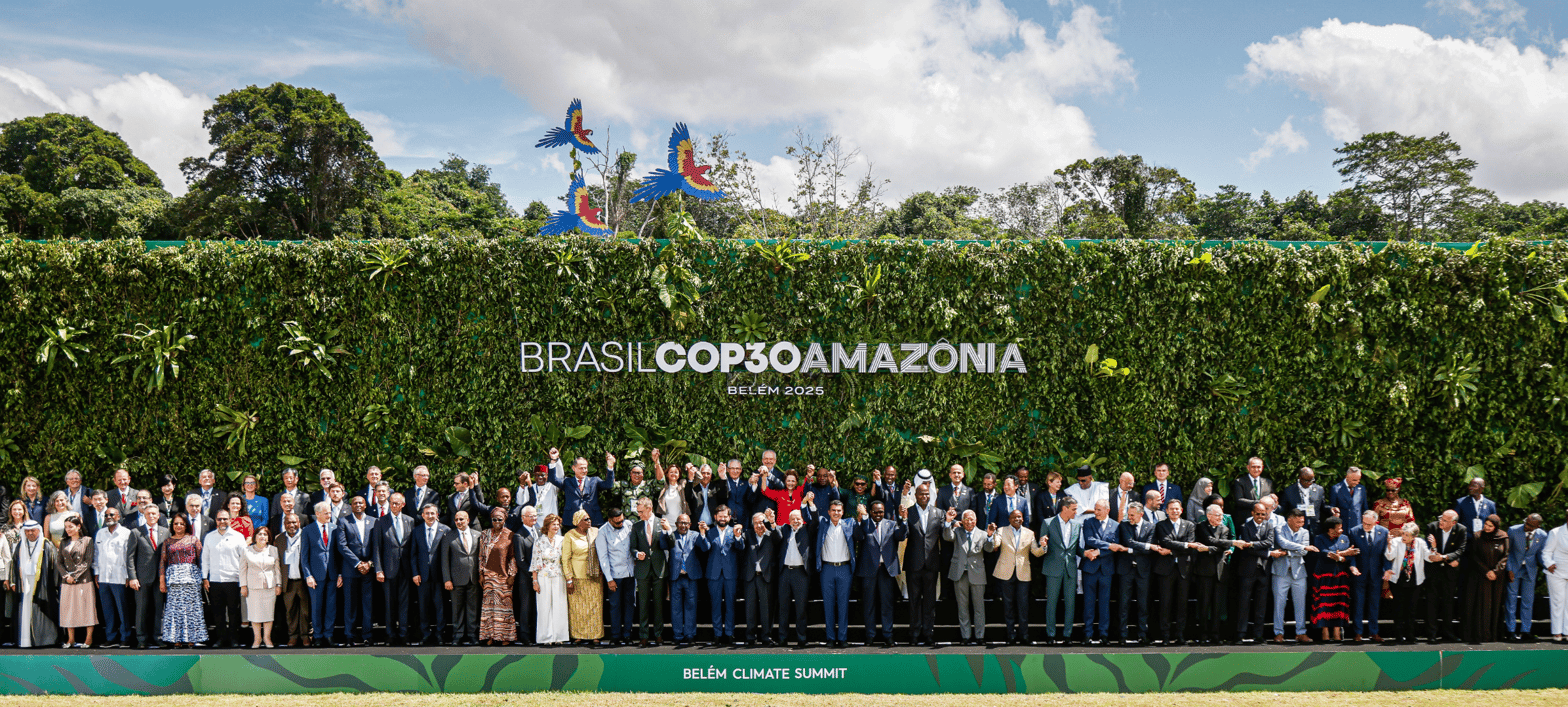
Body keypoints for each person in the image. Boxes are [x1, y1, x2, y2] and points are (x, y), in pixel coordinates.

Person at [853, 499, 903, 648]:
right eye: (875, 511)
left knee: (887, 604)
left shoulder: (891, 524)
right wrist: (861, 519)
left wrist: (904, 520)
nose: (878, 514)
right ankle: (870, 636)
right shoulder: (865, 523)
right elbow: (858, 536)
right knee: (869, 605)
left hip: (886, 571)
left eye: (880, 511)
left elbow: (901, 536)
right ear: (870, 512)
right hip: (868, 571)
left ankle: (888, 635)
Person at [1153, 498, 1201, 645]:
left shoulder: (1189, 525)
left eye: (1177, 509)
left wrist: (1173, 551)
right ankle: (1166, 636)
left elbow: (1190, 545)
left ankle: (1180, 634)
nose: (1174, 511)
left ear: (1181, 510)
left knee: (1182, 604)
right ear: (1166, 511)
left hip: (1183, 570)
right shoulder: (1161, 525)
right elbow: (1165, 541)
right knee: (1165, 604)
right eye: (1171, 509)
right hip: (1166, 570)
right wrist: (1185, 545)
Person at [991, 508, 1042, 645]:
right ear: (1009, 519)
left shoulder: (1029, 533)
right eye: (1014, 517)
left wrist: (1043, 546)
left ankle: (1024, 635)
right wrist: (991, 535)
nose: (1017, 519)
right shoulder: (1001, 531)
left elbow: (1036, 552)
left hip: (1023, 573)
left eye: (1019, 517)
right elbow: (995, 545)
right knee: (1008, 605)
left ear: (1023, 518)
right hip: (1006, 572)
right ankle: (1010, 635)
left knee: (1023, 605)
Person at [902, 483, 943, 646]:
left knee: (929, 602)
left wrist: (949, 523)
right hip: (913, 565)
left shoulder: (939, 513)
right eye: (921, 494)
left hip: (931, 565)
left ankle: (928, 633)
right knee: (913, 602)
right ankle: (914, 633)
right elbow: (901, 534)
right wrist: (903, 519)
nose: (924, 496)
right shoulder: (909, 512)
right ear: (916, 495)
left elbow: (945, 535)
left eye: (927, 494)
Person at [1195, 503, 1243, 645]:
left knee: (1217, 604)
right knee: (1204, 604)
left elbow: (1222, 546)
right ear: (1209, 515)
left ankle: (1216, 634)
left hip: (1220, 570)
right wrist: (1231, 543)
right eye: (1218, 515)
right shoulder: (1201, 526)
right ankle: (1203, 635)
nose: (1220, 518)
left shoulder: (1224, 528)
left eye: (1222, 515)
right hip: (1205, 571)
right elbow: (1212, 541)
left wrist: (1209, 549)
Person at [9, 520, 61, 648]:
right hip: (24, 583)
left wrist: (55, 586)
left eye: (33, 530)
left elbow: (54, 567)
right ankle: (25, 640)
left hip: (43, 584)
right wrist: (13, 581)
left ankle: (44, 640)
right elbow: (14, 564)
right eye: (27, 531)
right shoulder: (21, 545)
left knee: (40, 611)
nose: (30, 533)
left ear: (39, 530)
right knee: (24, 611)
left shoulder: (46, 545)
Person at [1038, 497, 1082, 645]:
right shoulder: (1048, 523)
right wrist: (1043, 545)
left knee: (1070, 603)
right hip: (1053, 569)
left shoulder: (1077, 525)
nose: (1076, 512)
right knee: (1051, 603)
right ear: (1065, 509)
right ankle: (1050, 635)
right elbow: (1042, 548)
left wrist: (1088, 553)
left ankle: (1067, 636)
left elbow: (1078, 549)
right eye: (1074, 509)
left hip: (1070, 569)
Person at [157, 514, 204, 648]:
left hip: (191, 577)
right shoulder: (167, 541)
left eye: (182, 523)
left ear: (186, 525)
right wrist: (162, 581)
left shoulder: (193, 539)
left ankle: (191, 638)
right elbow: (163, 561)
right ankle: (176, 638)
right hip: (173, 579)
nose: (178, 526)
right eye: (176, 523)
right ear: (172, 526)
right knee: (174, 609)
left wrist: (204, 578)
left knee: (191, 609)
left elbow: (201, 560)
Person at [943, 508, 990, 645]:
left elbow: (988, 548)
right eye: (967, 519)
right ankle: (966, 636)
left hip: (977, 573)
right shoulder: (957, 532)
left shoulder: (982, 533)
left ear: (976, 520)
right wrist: (948, 521)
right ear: (962, 521)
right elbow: (947, 537)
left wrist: (991, 536)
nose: (970, 521)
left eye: (972, 519)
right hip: (960, 573)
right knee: (962, 607)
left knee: (979, 607)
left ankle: (980, 636)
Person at [370, 492, 411, 645]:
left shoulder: (410, 521)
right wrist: (378, 569)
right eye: (392, 503)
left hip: (406, 571)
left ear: (403, 505)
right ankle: (390, 635)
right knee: (389, 605)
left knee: (404, 605)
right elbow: (377, 547)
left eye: (397, 503)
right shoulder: (381, 521)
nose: (394, 506)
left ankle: (404, 635)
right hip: (387, 571)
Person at [1272, 509, 1317, 643]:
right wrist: (1303, 547)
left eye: (1302, 522)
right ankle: (1278, 633)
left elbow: (1303, 553)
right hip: (1281, 572)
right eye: (1297, 522)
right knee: (1279, 604)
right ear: (1289, 520)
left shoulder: (1305, 532)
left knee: (1300, 604)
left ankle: (1301, 632)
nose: (1300, 525)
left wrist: (1288, 553)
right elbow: (1283, 543)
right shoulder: (1279, 529)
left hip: (1299, 573)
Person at [126, 503, 167, 649]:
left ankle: (158, 637)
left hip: (160, 578)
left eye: (154, 514)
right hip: (142, 578)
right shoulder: (136, 532)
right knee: (142, 610)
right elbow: (130, 557)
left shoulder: (165, 532)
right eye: (148, 514)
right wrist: (132, 577)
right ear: (144, 515)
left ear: (158, 516)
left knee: (159, 609)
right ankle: (141, 639)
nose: (151, 516)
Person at [335, 495, 375, 646]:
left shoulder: (373, 521)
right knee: (350, 605)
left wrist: (369, 563)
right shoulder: (343, 521)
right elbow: (342, 546)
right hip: (350, 569)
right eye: (355, 503)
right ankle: (349, 636)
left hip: (369, 570)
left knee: (368, 604)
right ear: (350, 506)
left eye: (361, 502)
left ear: (365, 505)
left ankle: (368, 636)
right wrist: (358, 563)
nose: (358, 505)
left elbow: (377, 546)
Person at [816, 500, 857, 648]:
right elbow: (812, 514)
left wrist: (863, 516)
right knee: (828, 606)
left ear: (843, 511)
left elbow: (860, 532)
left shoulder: (849, 523)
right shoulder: (823, 523)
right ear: (828, 512)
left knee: (843, 605)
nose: (836, 513)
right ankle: (830, 638)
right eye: (833, 510)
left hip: (844, 569)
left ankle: (843, 638)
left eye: (839, 510)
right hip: (827, 569)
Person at [1115, 502, 1157, 645]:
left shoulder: (1151, 527)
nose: (1129, 517)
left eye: (1132, 515)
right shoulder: (1124, 525)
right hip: (1125, 569)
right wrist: (1146, 546)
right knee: (1123, 604)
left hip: (1143, 570)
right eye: (1128, 514)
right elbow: (1128, 541)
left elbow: (1148, 550)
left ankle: (1143, 634)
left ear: (1141, 514)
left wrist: (1130, 549)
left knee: (1143, 604)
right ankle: (1122, 635)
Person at [1463, 513, 1509, 644]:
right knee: (1481, 605)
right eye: (1486, 525)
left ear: (1496, 527)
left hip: (1497, 578)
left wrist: (1495, 571)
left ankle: (1492, 635)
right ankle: (1479, 635)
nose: (1487, 527)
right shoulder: (1477, 536)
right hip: (1480, 576)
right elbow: (1474, 556)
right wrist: (1486, 571)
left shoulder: (1504, 536)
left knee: (1494, 605)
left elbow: (1505, 556)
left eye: (1490, 526)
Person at [700, 506, 742, 646]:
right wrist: (702, 535)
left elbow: (740, 547)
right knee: (715, 605)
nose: (722, 519)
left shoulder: (735, 531)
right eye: (720, 516)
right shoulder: (710, 532)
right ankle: (717, 634)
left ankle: (730, 633)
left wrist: (738, 537)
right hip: (714, 574)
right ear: (715, 517)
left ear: (729, 518)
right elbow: (705, 548)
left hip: (730, 574)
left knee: (731, 605)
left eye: (725, 516)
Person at [1234, 502, 1276, 643]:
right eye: (1257, 513)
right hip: (1247, 570)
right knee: (1243, 603)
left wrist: (1252, 544)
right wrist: (1266, 552)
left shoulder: (1269, 526)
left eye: (1263, 514)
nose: (1260, 516)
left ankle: (1258, 635)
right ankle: (1241, 634)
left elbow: (1269, 542)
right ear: (1252, 513)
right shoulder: (1245, 527)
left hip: (1263, 571)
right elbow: (1247, 548)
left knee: (1261, 604)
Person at [92, 507, 134, 648]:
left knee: (123, 610)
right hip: (103, 578)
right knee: (107, 610)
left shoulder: (126, 533)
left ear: (118, 516)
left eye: (111, 514)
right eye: (106, 515)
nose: (108, 517)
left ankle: (126, 637)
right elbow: (96, 555)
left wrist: (129, 575)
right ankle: (111, 638)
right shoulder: (100, 533)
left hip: (120, 577)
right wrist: (96, 573)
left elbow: (129, 557)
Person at [629, 499, 669, 647]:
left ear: (650, 508)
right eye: (638, 512)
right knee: (643, 605)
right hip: (642, 570)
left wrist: (668, 530)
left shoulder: (661, 523)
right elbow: (632, 547)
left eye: (641, 511)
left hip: (659, 570)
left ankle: (659, 635)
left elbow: (670, 544)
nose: (639, 514)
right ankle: (643, 636)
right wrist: (636, 553)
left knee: (659, 605)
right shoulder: (636, 526)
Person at [476, 506, 517, 646]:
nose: (497, 522)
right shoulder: (485, 534)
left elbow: (512, 557)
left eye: (500, 519)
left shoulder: (510, 534)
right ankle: (490, 635)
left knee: (504, 608)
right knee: (489, 608)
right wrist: (481, 573)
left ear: (504, 519)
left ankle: (505, 636)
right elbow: (481, 555)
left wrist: (512, 574)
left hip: (503, 577)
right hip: (488, 577)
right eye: (494, 519)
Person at [1080, 499, 1120, 645]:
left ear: (1107, 510)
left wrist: (1099, 552)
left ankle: (1104, 635)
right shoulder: (1089, 522)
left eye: (1098, 510)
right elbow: (1089, 540)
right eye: (1095, 509)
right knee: (1088, 603)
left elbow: (1117, 546)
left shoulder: (1115, 525)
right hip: (1090, 569)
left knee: (1104, 604)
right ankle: (1087, 635)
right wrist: (1108, 545)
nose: (1095, 512)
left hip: (1106, 570)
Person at [1424, 509, 1468, 643]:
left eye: (1444, 520)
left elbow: (1461, 549)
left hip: (1449, 572)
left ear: (1453, 523)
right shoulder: (1432, 527)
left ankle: (1448, 633)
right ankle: (1431, 634)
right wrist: (1434, 552)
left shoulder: (1461, 530)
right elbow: (1428, 548)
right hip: (1433, 571)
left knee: (1448, 603)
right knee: (1431, 603)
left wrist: (1445, 557)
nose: (1441, 522)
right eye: (1441, 519)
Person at [302, 502, 342, 647]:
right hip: (316, 576)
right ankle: (318, 636)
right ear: (317, 514)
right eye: (326, 513)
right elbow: (304, 556)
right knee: (317, 607)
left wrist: (340, 574)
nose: (329, 515)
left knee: (331, 607)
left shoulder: (335, 528)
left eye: (330, 513)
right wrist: (308, 575)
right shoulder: (307, 530)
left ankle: (329, 635)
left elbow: (339, 553)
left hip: (332, 574)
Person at [560, 509, 603, 645]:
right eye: (586, 519)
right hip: (577, 577)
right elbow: (565, 559)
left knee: (595, 607)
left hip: (594, 576)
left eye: (589, 519)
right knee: (577, 608)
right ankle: (578, 635)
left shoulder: (595, 532)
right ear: (578, 522)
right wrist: (569, 578)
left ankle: (595, 635)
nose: (589, 521)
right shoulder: (569, 536)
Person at [1309, 516, 1354, 643]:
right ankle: (1325, 632)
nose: (1341, 530)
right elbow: (1325, 553)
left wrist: (1340, 556)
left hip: (1340, 576)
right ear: (1330, 529)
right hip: (1324, 576)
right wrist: (1344, 554)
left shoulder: (1345, 538)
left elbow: (1350, 557)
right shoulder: (1319, 538)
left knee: (1339, 603)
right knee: (1324, 603)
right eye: (1338, 528)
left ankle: (1337, 631)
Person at [1347, 510, 1389, 643]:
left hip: (1376, 573)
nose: (1365, 526)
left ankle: (1374, 632)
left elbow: (1385, 553)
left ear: (1375, 522)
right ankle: (1358, 633)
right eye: (1364, 523)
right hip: (1359, 572)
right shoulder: (1354, 531)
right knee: (1358, 603)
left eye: (1369, 524)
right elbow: (1351, 552)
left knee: (1374, 604)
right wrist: (1352, 566)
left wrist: (1387, 569)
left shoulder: (1384, 532)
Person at [1383, 522, 1429, 644]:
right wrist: (1388, 544)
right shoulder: (1396, 541)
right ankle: (1399, 635)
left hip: (1415, 579)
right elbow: (1389, 556)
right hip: (1398, 579)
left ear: (1414, 536)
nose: (1403, 536)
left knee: (1412, 609)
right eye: (1403, 533)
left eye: (1407, 535)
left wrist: (1434, 547)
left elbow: (1428, 557)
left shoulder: (1420, 543)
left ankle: (1410, 635)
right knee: (1399, 608)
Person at [596, 507, 635, 646]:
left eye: (622, 520)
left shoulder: (629, 525)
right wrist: (609, 579)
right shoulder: (602, 532)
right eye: (617, 522)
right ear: (610, 520)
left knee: (630, 605)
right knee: (615, 606)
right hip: (615, 575)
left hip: (630, 573)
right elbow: (603, 557)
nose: (621, 524)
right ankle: (615, 636)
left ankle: (627, 635)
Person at [443, 509, 482, 646]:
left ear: (468, 520)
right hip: (455, 580)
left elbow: (481, 558)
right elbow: (444, 560)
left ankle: (472, 635)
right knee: (457, 609)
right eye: (456, 520)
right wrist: (447, 579)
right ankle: (457, 635)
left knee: (473, 608)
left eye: (462, 519)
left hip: (474, 579)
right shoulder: (449, 536)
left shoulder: (478, 535)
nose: (459, 522)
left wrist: (482, 576)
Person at [239, 526, 283, 648]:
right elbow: (242, 570)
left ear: (268, 537)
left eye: (265, 534)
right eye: (259, 534)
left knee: (269, 614)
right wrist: (243, 585)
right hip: (253, 587)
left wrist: (278, 584)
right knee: (255, 614)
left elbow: (277, 569)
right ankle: (257, 639)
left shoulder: (273, 550)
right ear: (255, 537)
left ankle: (267, 638)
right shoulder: (246, 550)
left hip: (270, 587)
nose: (262, 536)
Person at [1506, 513, 1547, 641]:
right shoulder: (1513, 530)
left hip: (1530, 570)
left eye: (1530, 525)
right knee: (1511, 601)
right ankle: (1511, 631)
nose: (1526, 526)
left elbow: (1540, 554)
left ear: (1538, 526)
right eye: (1526, 522)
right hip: (1514, 569)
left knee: (1528, 601)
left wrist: (1548, 565)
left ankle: (1525, 631)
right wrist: (1509, 569)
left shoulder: (1542, 535)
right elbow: (1507, 551)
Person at [531, 513, 569, 645]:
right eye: (554, 524)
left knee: (559, 606)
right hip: (544, 577)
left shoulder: (562, 540)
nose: (556, 527)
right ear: (547, 526)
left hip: (559, 576)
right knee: (544, 606)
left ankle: (559, 637)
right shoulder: (539, 541)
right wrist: (535, 581)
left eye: (558, 524)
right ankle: (546, 638)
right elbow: (535, 562)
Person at [58, 515, 96, 648]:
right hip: (67, 582)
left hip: (83, 580)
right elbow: (59, 563)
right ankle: (71, 639)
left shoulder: (87, 540)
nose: (68, 529)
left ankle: (88, 639)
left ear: (78, 526)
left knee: (87, 609)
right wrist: (66, 576)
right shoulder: (63, 542)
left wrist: (74, 576)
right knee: (68, 610)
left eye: (70, 526)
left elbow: (87, 561)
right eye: (66, 527)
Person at [552, 451, 617, 527]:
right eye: (581, 468)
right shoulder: (567, 482)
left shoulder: (594, 480)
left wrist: (610, 466)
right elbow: (553, 479)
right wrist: (553, 460)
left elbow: (609, 485)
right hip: (572, 521)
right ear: (574, 468)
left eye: (585, 468)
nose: (584, 471)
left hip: (593, 521)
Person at [277, 512, 310, 647]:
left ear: (299, 523)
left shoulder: (307, 535)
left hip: (303, 580)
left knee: (305, 611)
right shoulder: (279, 539)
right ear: (284, 525)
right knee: (290, 611)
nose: (292, 525)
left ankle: (306, 636)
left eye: (294, 522)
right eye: (288, 523)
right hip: (288, 582)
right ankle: (293, 636)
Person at [512, 506, 538, 645]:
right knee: (525, 608)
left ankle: (536, 634)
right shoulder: (519, 535)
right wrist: (533, 574)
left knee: (536, 607)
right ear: (523, 518)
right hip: (525, 578)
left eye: (535, 516)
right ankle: (525, 636)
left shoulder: (539, 532)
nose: (534, 518)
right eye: (531, 516)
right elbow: (520, 560)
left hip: (539, 578)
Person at [1230, 457, 1274, 526]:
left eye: (1258, 467)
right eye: (1253, 467)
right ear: (1248, 467)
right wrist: (1260, 503)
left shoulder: (1268, 482)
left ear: (1262, 468)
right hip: (1245, 521)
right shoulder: (1240, 482)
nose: (1256, 469)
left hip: (1264, 522)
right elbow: (1239, 500)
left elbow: (1271, 499)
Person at [1546, 510, 1568, 643]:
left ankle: (1567, 631)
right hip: (1557, 572)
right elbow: (1546, 551)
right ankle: (1557, 632)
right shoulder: (1555, 532)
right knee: (1557, 602)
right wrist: (1549, 563)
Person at [655, 460, 689, 529]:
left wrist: (690, 468)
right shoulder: (663, 487)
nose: (673, 474)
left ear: (679, 475)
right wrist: (657, 462)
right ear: (667, 474)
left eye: (676, 472)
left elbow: (698, 479)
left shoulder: (682, 486)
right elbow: (659, 478)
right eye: (671, 472)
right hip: (666, 524)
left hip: (680, 525)